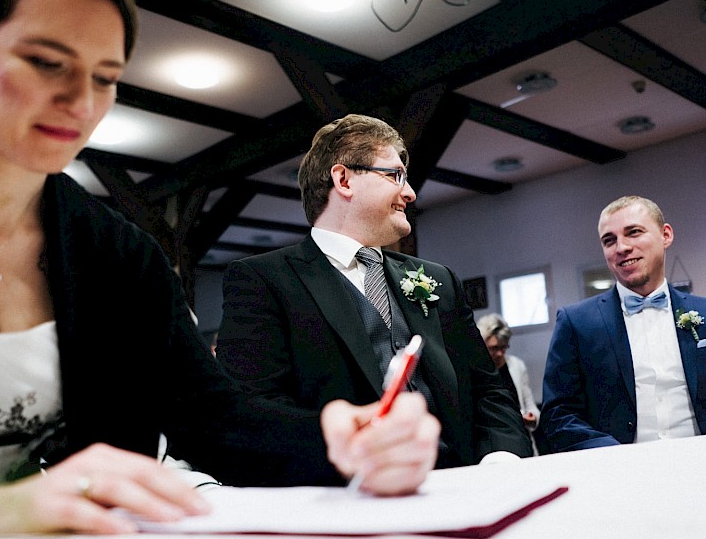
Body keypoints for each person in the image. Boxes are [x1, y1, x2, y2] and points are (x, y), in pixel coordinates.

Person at [0, 0, 438, 539]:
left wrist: (337, 438)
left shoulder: (118, 253)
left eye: (105, 76)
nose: (80, 101)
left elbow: (214, 419)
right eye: (45, 62)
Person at [214, 114, 532, 485]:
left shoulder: (438, 279)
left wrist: (500, 458)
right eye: (394, 175)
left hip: (465, 483)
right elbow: (255, 412)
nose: (410, 192)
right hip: (349, 497)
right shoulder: (262, 280)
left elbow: (487, 389)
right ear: (344, 179)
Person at [539, 195, 706, 453]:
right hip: (619, 472)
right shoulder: (576, 323)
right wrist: (614, 456)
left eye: (633, 232)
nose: (621, 247)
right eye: (609, 240)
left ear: (665, 235)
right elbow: (558, 416)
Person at [476, 313, 541, 455]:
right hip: (492, 446)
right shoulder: (476, 371)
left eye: (504, 347)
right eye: (494, 348)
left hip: (522, 441)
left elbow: (531, 406)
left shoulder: (517, 366)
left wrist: (532, 418)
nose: (500, 353)